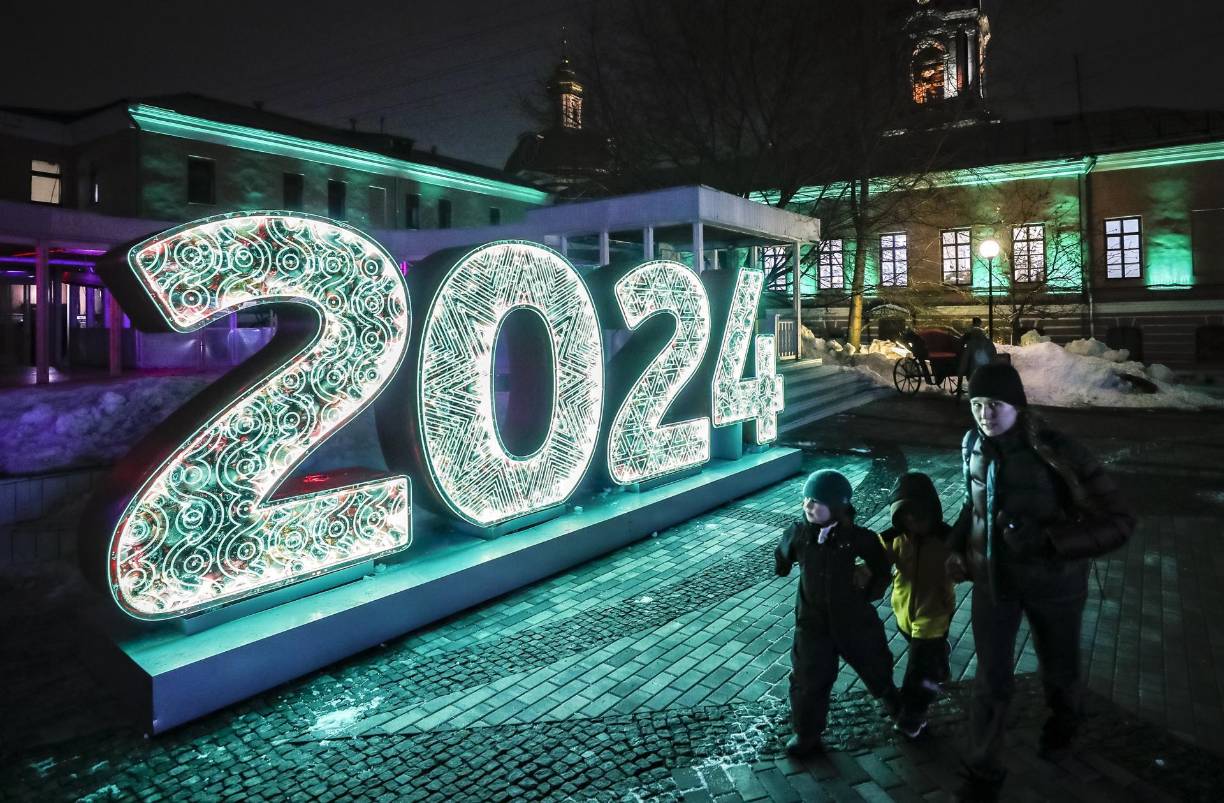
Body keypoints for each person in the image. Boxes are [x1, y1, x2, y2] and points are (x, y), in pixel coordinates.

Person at [947, 363, 1134, 802]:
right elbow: (973, 505)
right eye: (977, 405)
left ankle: (1063, 726)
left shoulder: (1057, 450)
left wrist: (1049, 540)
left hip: (1055, 586)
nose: (985, 415)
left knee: (1060, 671)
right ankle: (983, 773)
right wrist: (955, 546)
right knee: (990, 680)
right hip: (995, 585)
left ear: (1017, 405)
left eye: (995, 405)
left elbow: (1119, 521)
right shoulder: (973, 444)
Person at [775, 469, 902, 756]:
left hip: (853, 619)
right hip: (812, 621)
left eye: (817, 501)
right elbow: (783, 551)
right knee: (808, 675)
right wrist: (782, 563)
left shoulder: (856, 538)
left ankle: (894, 703)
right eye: (806, 499)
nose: (808, 505)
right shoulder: (800, 533)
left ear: (837, 506)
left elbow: (881, 566)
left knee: (873, 662)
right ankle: (806, 732)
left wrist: (869, 590)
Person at [879, 472, 956, 739]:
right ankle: (940, 660)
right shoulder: (895, 539)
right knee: (925, 656)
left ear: (932, 512)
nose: (913, 521)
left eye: (919, 515)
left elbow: (969, 563)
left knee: (919, 670)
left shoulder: (948, 539)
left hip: (934, 615)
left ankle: (914, 713)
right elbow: (877, 562)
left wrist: (965, 567)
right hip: (904, 614)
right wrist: (862, 571)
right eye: (906, 516)